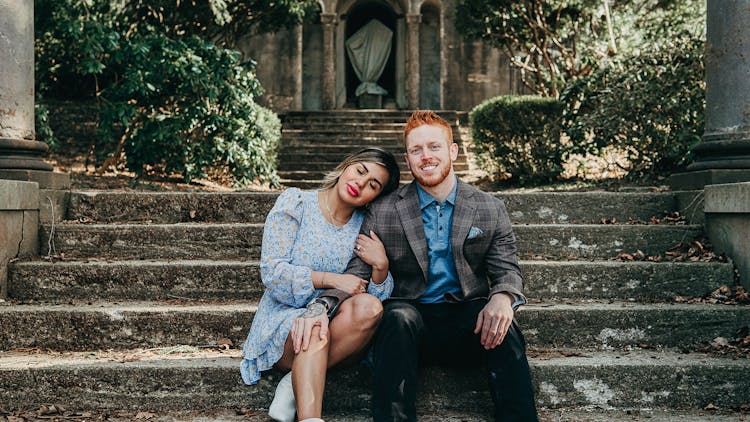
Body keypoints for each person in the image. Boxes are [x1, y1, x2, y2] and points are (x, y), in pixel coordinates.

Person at [344, 111, 538, 421]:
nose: (426, 157)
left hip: (468, 319)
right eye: (416, 150)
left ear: (452, 151)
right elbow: (357, 274)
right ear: (408, 159)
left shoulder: (489, 208)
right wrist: (321, 307)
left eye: (434, 147)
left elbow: (506, 269)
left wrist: (503, 297)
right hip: (410, 325)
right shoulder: (383, 210)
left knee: (504, 322)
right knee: (396, 318)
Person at [240, 148, 401, 422]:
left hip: (336, 326)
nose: (360, 183)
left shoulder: (364, 228)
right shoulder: (296, 203)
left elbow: (369, 295)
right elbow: (273, 272)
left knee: (370, 308)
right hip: (283, 323)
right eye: (360, 171)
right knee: (315, 324)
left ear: (376, 196)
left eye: (373, 184)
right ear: (345, 165)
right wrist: (330, 280)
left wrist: (381, 266)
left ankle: (294, 381)